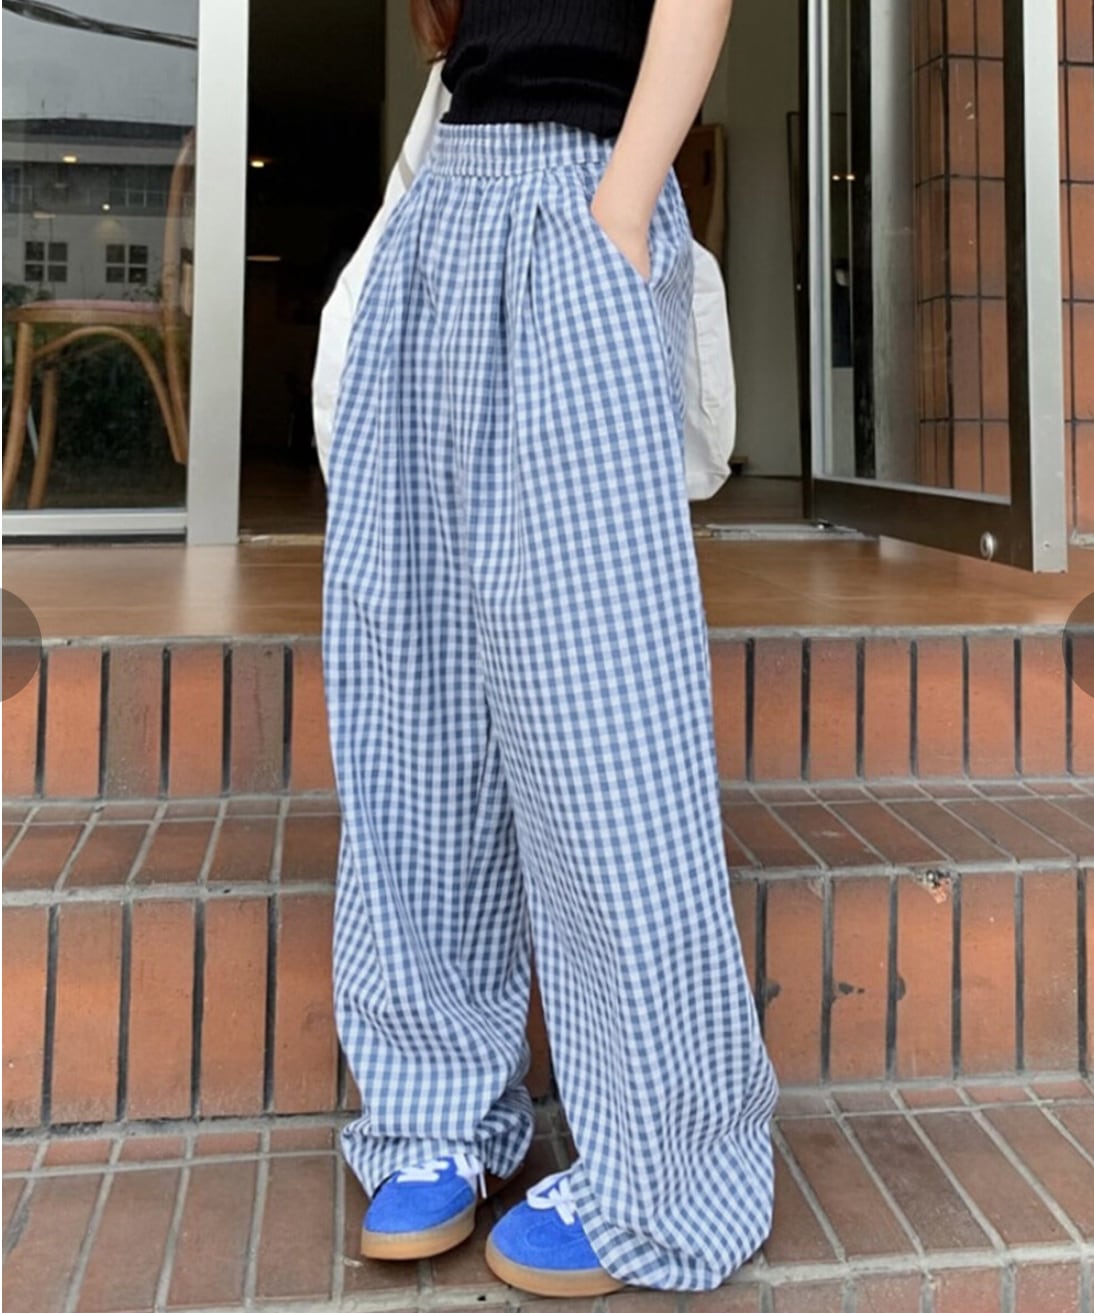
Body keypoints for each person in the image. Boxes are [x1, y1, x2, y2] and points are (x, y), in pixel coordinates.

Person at [321, 0, 779, 1296]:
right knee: (412, 691)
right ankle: (433, 1104)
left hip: (585, 199)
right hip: (448, 214)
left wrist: (621, 208)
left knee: (600, 715)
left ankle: (666, 1162)